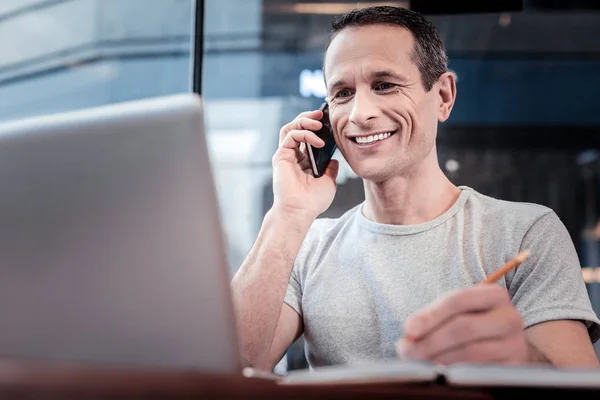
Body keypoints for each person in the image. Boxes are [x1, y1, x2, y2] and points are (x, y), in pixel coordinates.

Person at [231, 6, 600, 371]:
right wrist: (288, 214)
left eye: (384, 85)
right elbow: (229, 367)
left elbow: (577, 381)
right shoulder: (306, 247)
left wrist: (518, 357)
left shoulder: (525, 233)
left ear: (443, 97)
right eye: (342, 93)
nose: (359, 113)